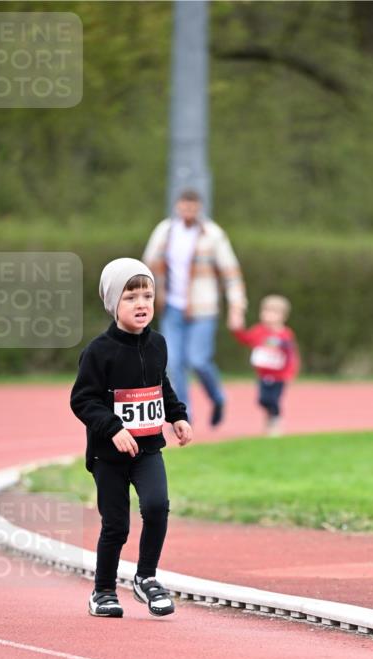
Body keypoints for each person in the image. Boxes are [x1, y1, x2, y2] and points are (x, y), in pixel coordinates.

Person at [70, 258, 192, 619]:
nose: (141, 304)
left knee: (156, 507)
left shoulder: (158, 344)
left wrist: (177, 415)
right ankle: (103, 591)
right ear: (113, 303)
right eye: (131, 297)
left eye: (147, 296)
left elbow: (161, 384)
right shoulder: (98, 351)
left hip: (148, 449)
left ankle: (146, 577)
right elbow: (83, 400)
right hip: (109, 456)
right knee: (116, 525)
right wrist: (114, 429)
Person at [142, 190, 247, 426]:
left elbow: (231, 273)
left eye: (192, 207)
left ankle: (217, 397)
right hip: (171, 307)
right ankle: (184, 415)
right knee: (173, 362)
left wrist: (237, 307)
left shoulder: (213, 234)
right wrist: (145, 298)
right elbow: (147, 265)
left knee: (198, 360)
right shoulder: (165, 231)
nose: (188, 211)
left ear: (199, 208)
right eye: (184, 206)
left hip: (203, 308)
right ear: (177, 207)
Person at [232, 295, 300, 435]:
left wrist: (290, 372)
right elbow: (245, 338)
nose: (267, 315)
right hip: (263, 375)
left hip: (279, 376)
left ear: (283, 316)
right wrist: (237, 327)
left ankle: (275, 420)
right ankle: (270, 416)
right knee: (262, 400)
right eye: (265, 311)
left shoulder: (285, 335)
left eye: (272, 312)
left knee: (273, 399)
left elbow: (290, 355)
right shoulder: (259, 331)